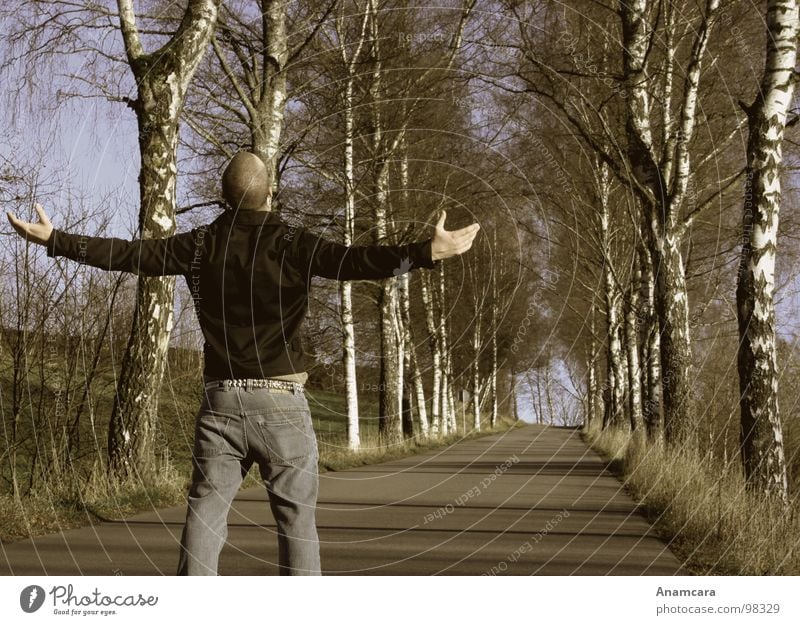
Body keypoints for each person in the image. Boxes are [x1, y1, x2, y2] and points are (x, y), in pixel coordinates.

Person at [6, 151, 481, 575]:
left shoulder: (199, 246)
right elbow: (358, 261)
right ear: (271, 192)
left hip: (220, 403)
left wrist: (55, 239)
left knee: (205, 513)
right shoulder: (295, 243)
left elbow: (130, 256)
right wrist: (426, 253)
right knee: (296, 521)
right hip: (281, 405)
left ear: (221, 197)